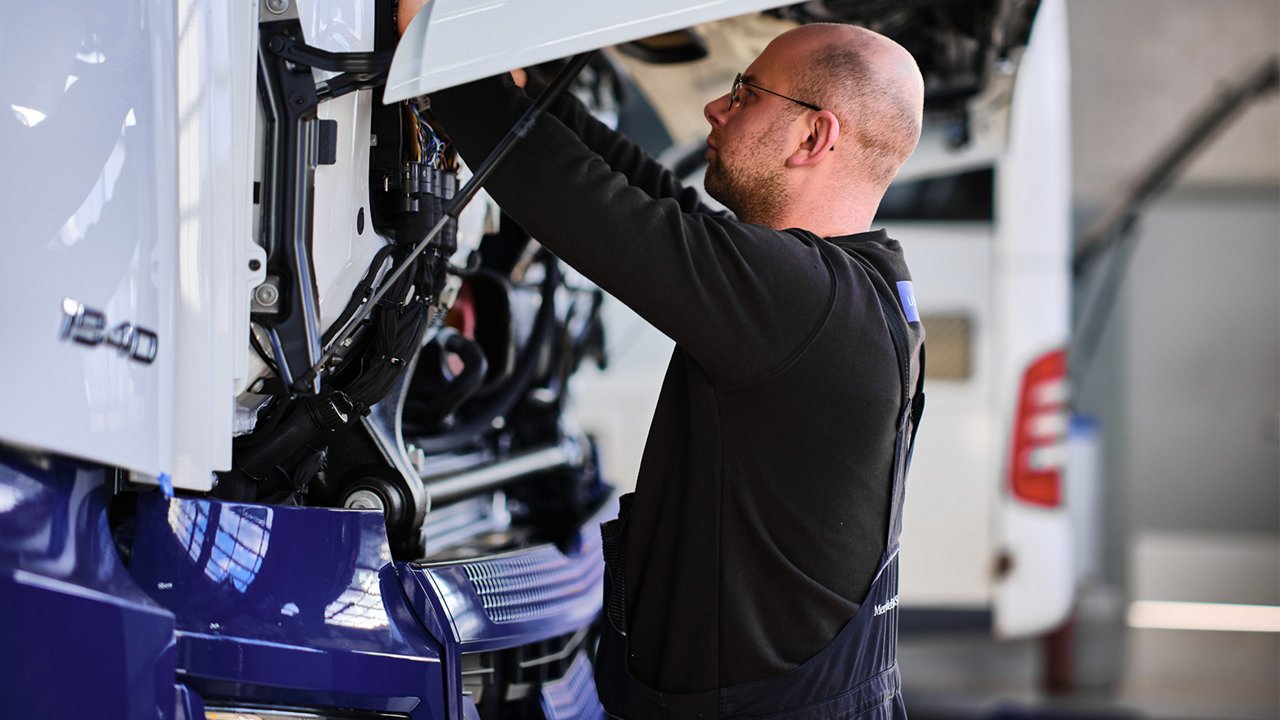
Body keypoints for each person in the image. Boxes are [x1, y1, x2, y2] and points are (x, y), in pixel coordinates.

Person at [418, 18, 927, 720]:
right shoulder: (862, 286)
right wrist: (530, 85)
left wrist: (438, 56)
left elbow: (580, 203)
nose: (717, 108)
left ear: (815, 136)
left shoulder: (798, 298)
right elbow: (652, 194)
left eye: (746, 94)